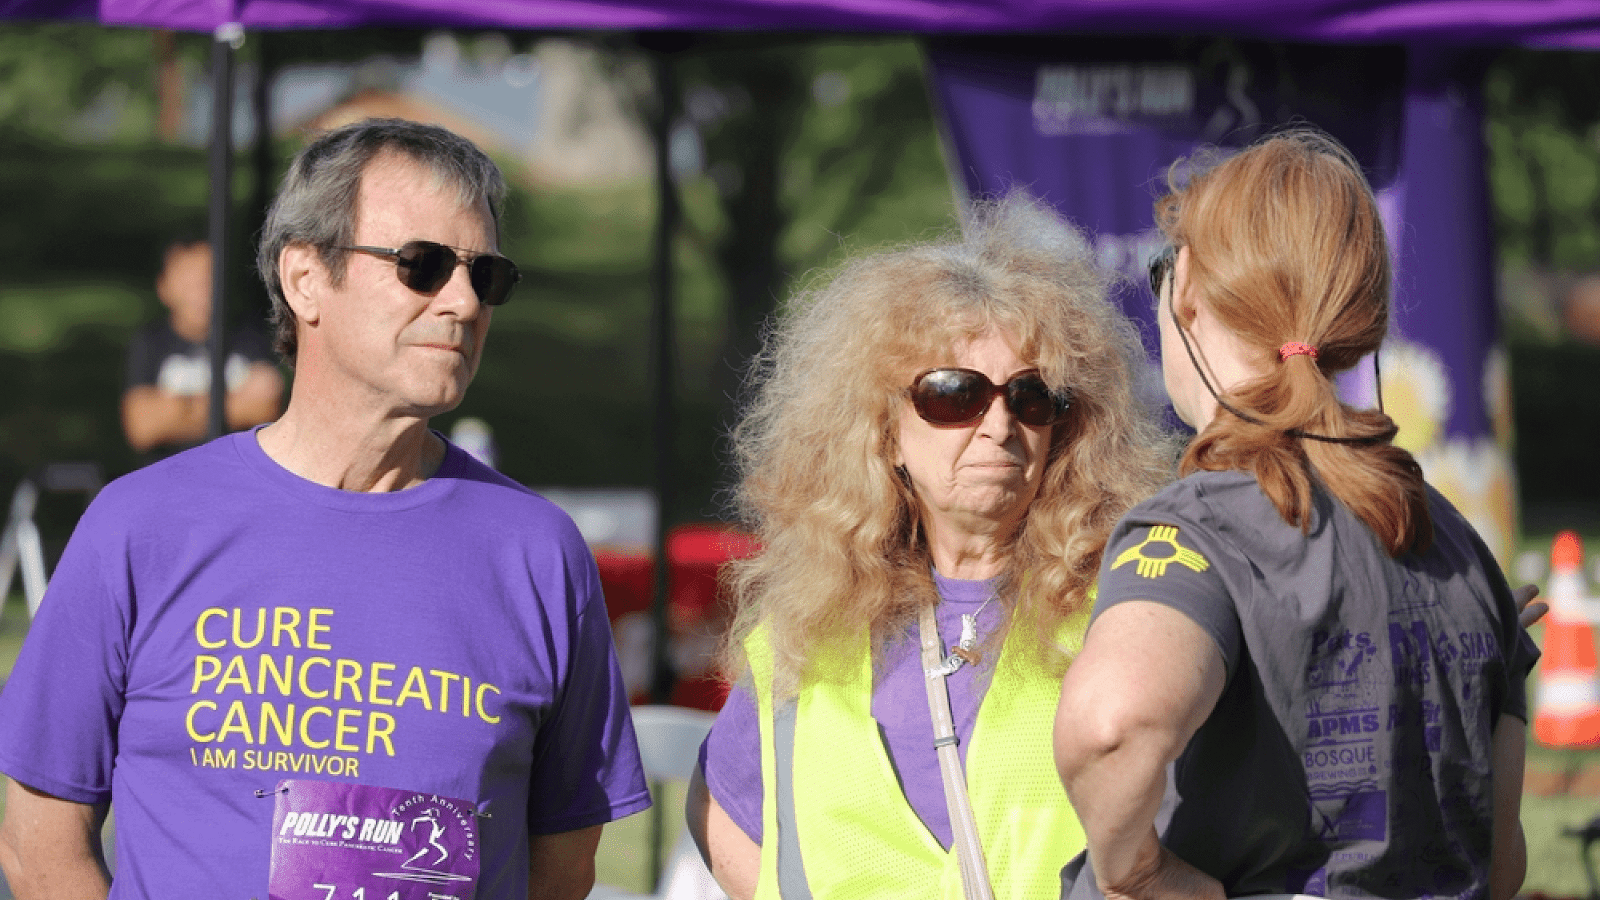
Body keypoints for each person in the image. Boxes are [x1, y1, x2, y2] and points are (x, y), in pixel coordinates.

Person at [0, 118, 650, 900]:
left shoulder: (538, 554)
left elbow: (566, 862)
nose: (462, 301)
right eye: (424, 265)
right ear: (306, 279)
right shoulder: (140, 526)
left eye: (487, 277)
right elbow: (38, 845)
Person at [1053, 128, 1540, 900]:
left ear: (1186, 297)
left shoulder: (1197, 529)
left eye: (1161, 274)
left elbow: (1111, 729)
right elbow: (1502, 866)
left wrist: (1136, 875)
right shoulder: (1460, 548)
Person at [686, 193, 1175, 900]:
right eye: (955, 395)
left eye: (1032, 397)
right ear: (884, 431)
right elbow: (721, 802)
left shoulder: (1133, 608)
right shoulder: (805, 625)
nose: (1000, 426)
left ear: (1067, 428)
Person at [121, 235, 284, 456]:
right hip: (170, 480)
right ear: (163, 286)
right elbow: (141, 427)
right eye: (189, 281)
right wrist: (234, 404)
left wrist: (177, 410)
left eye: (209, 278)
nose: (201, 291)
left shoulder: (251, 337)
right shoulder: (150, 343)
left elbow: (267, 410)